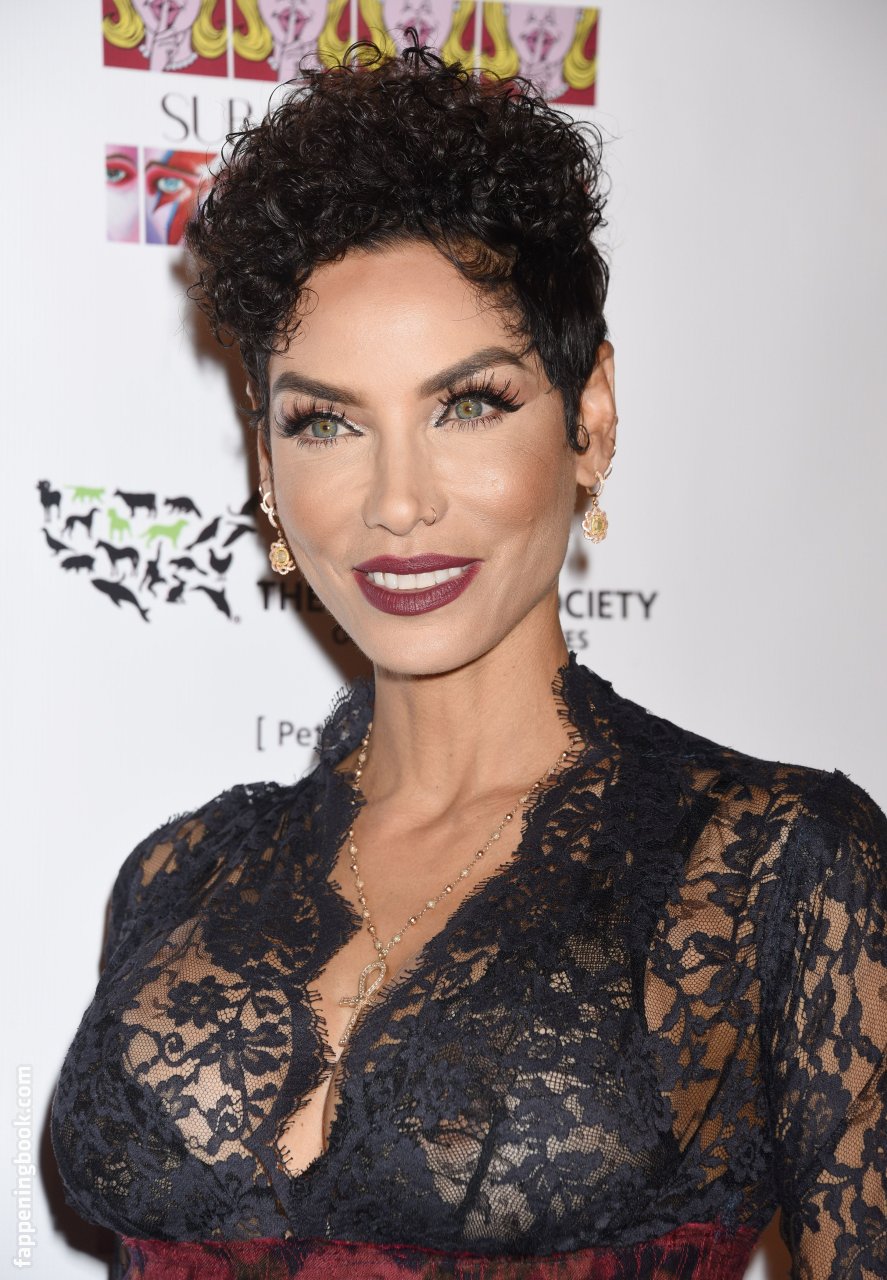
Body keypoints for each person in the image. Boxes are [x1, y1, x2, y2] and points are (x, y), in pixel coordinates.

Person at [51, 37, 886, 1280]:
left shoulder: (772, 866)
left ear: (587, 416)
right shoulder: (179, 876)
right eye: (326, 421)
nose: (397, 501)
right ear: (265, 461)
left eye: (468, 404)